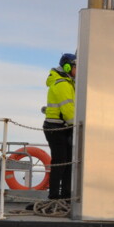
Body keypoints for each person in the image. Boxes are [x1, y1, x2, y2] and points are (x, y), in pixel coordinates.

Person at [43, 52, 76, 200]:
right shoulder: (62, 84)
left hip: (63, 128)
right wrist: (78, 125)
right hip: (56, 128)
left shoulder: (68, 82)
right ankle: (55, 197)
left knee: (68, 162)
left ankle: (65, 195)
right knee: (60, 162)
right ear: (68, 67)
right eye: (76, 67)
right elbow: (68, 110)